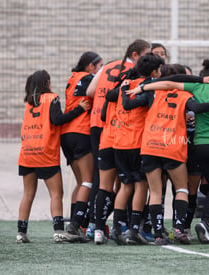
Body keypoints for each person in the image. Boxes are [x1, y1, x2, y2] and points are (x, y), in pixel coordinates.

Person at [127, 60, 209, 244]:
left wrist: (143, 88)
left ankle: (177, 229)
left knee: (208, 187)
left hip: (169, 144)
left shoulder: (176, 90)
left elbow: (167, 84)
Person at [86, 39, 151, 243]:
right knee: (131, 183)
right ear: (136, 56)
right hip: (126, 137)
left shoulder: (108, 67)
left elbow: (91, 92)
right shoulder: (139, 80)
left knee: (103, 184)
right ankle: (128, 227)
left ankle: (96, 228)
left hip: (102, 130)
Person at [17, 70, 91, 243]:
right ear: (47, 82)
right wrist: (79, 109)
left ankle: (21, 232)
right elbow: (57, 119)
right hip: (45, 152)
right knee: (56, 193)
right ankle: (58, 230)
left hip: (27, 152)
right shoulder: (52, 98)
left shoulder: (29, 102)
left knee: (28, 193)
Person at [61, 51, 103, 241]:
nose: (101, 70)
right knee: (88, 181)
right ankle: (75, 225)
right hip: (81, 131)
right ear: (91, 66)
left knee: (80, 182)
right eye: (99, 66)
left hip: (66, 133)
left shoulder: (72, 78)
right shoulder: (91, 79)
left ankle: (74, 222)